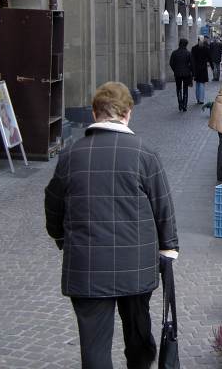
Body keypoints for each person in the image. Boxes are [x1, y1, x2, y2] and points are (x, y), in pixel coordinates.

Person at [44, 82, 178, 369]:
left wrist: (61, 237)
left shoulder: (71, 155)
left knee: (94, 348)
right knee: (138, 336)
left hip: (87, 263)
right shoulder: (144, 153)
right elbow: (162, 204)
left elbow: (53, 203)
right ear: (128, 113)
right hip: (135, 264)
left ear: (94, 113)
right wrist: (168, 248)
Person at [168, 38, 193, 112]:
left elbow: (171, 63)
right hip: (186, 73)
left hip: (177, 73)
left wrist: (175, 70)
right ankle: (185, 105)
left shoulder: (174, 53)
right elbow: (191, 64)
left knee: (178, 88)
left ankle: (180, 104)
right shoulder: (188, 53)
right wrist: (191, 72)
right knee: (185, 89)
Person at [191, 37, 211, 104]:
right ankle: (201, 99)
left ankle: (198, 99)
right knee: (201, 83)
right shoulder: (206, 48)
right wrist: (211, 66)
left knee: (197, 83)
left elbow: (192, 59)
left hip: (196, 68)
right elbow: (209, 58)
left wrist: (192, 68)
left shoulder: (194, 48)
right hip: (203, 68)